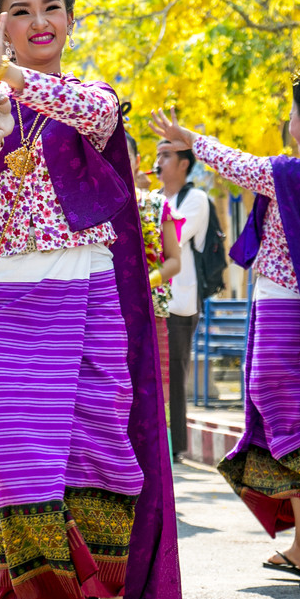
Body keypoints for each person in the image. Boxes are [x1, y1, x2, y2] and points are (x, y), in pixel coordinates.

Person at [0, 0, 184, 599]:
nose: (38, 21)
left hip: (88, 302)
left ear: (71, 20)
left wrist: (9, 78)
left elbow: (90, 112)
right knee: (13, 468)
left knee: (98, 458)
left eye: (51, 8)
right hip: (5, 308)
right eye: (19, 12)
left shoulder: (91, 96)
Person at [150, 60, 300, 594]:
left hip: (293, 307)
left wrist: (191, 139)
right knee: (285, 413)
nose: (288, 122)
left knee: (294, 419)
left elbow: (239, 164)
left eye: (292, 114)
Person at [155, 136, 210, 461]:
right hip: (154, 300)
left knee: (174, 373)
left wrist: (154, 218)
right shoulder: (155, 198)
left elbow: (170, 238)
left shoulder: (196, 199)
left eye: (166, 156)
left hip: (179, 302)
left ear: (184, 163)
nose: (158, 162)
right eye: (158, 155)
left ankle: (174, 449)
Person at [126, 134, 182, 416]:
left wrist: (147, 281)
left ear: (137, 162)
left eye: (124, 155)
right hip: (106, 312)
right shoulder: (91, 208)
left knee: (152, 398)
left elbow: (174, 261)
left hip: (150, 311)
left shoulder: (156, 205)